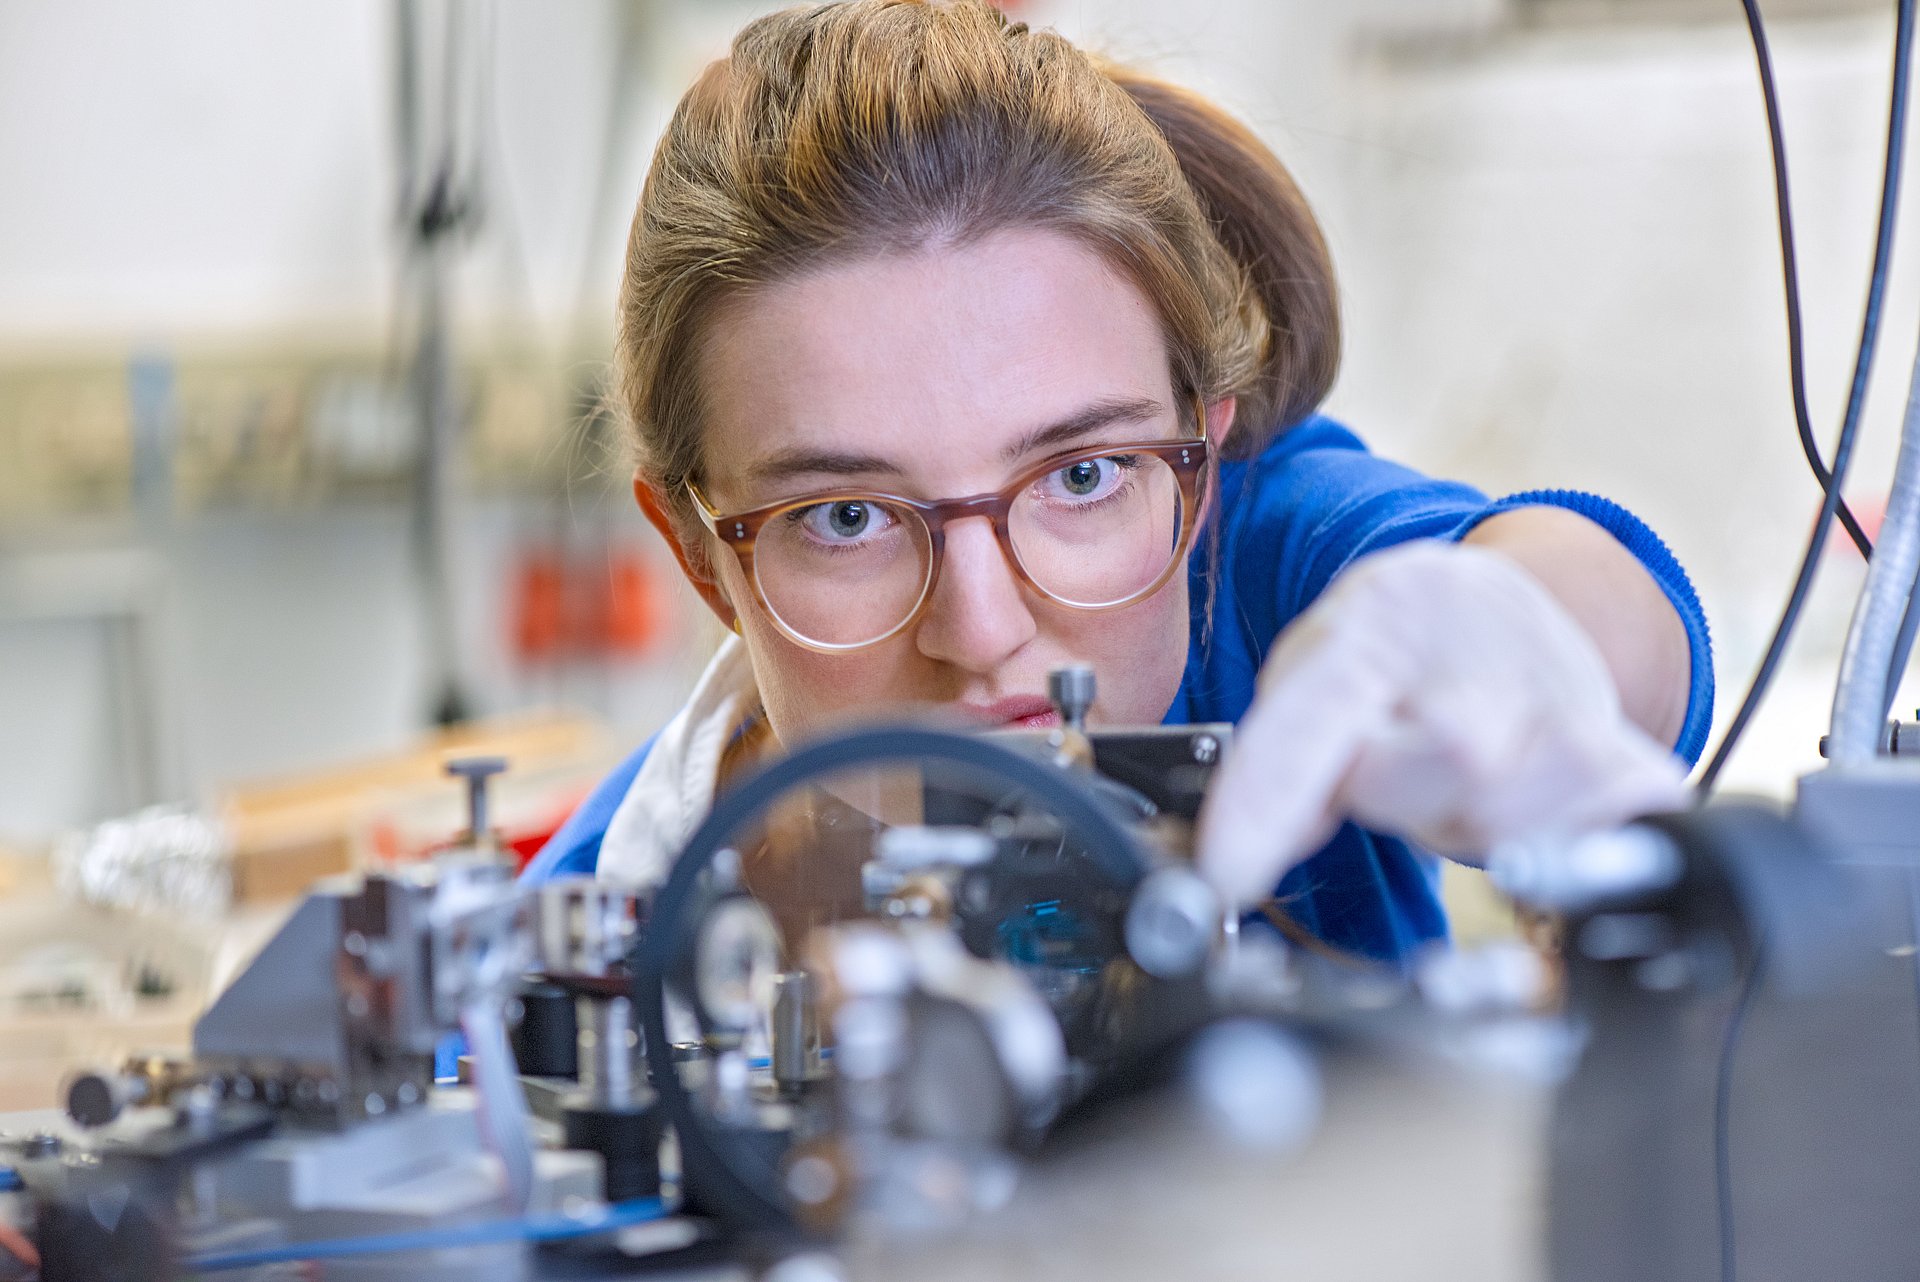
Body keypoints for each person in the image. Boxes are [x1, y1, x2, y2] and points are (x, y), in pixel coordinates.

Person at [522, 0, 1709, 966]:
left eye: (1080, 475)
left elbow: (1606, 614)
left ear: (1205, 452)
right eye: (849, 519)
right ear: (700, 556)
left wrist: (1531, 636)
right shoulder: (633, 884)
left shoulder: (1261, 573)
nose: (981, 628)